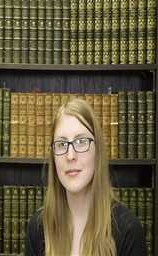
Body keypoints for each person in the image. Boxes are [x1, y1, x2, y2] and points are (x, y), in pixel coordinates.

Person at [25, 98, 147, 256]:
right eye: (61, 144)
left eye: (81, 141)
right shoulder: (38, 227)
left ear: (98, 151)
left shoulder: (128, 229)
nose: (70, 155)